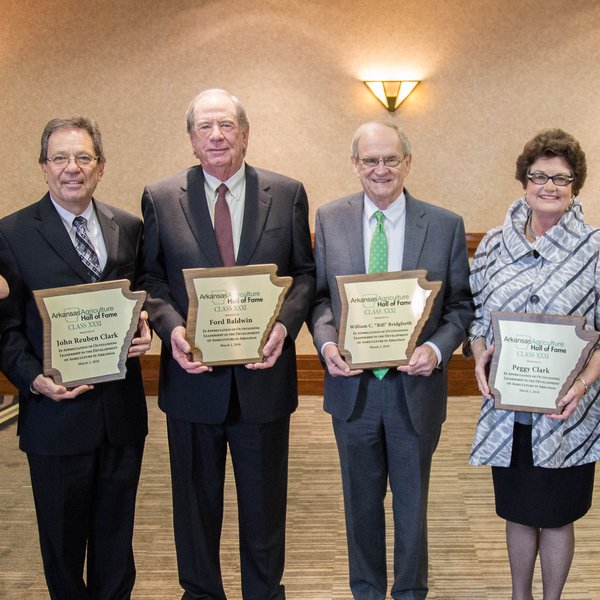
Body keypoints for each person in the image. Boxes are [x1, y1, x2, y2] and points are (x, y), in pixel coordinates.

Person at [139, 88, 315, 599]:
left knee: (264, 508)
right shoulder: (159, 195)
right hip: (192, 383)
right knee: (194, 507)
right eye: (205, 128)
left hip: (263, 381)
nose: (216, 136)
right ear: (191, 139)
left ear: (244, 133)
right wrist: (173, 329)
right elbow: (151, 279)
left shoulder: (286, 193)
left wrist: (284, 325)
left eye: (226, 126)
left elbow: (303, 274)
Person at [308, 121, 473, 599]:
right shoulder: (330, 218)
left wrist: (436, 349)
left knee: (411, 507)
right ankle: (366, 591)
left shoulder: (444, 224)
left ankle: (409, 594)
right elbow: (320, 299)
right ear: (355, 164)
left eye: (391, 159)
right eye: (370, 160)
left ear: (407, 162)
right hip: (352, 390)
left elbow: (461, 305)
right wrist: (326, 343)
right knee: (359, 505)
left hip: (414, 389)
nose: (381, 169)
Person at [0, 116, 151, 599]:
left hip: (120, 417)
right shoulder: (11, 233)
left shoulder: (128, 227)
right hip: (54, 416)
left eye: (83, 157)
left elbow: (137, 301)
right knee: (62, 549)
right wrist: (33, 380)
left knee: (115, 544)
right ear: (43, 167)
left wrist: (142, 334)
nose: (72, 168)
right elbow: (4, 330)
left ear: (101, 167)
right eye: (60, 158)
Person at [468, 128, 600, 600]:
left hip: (569, 409)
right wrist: (480, 352)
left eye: (561, 178)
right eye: (540, 175)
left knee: (558, 513)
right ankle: (519, 596)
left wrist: (583, 385)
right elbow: (479, 318)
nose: (550, 186)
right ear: (524, 180)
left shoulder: (595, 248)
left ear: (575, 185)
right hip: (511, 410)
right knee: (519, 510)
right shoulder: (493, 245)